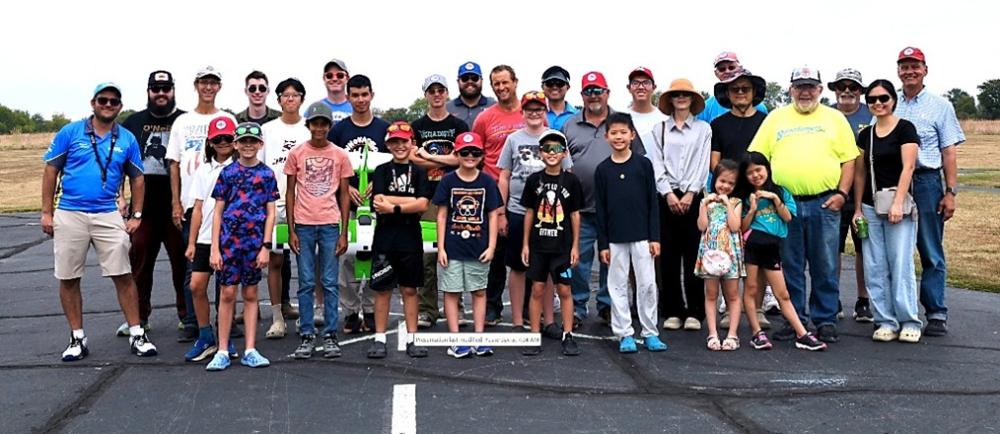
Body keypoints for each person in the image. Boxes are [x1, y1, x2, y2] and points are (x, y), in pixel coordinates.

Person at [42, 82, 158, 361]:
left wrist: (137, 215)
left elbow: (138, 178)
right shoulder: (70, 132)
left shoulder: (127, 138)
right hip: (70, 212)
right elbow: (50, 171)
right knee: (69, 276)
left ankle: (137, 333)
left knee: (123, 274)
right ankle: (76, 338)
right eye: (103, 100)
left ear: (119, 106)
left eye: (113, 102)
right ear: (93, 103)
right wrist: (47, 212)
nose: (108, 105)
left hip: (108, 212)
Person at [748, 66, 859, 343]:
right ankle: (794, 318)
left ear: (820, 90)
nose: (805, 91)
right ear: (790, 89)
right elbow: (758, 157)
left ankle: (825, 319)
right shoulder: (776, 118)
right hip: (786, 206)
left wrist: (842, 194)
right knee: (791, 264)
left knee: (825, 263)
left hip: (825, 202)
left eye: (811, 86)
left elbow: (849, 159)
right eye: (799, 86)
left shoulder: (834, 118)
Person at [894, 46, 965, 337]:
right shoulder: (888, 102)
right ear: (898, 70)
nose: (909, 71)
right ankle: (898, 311)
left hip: (926, 182)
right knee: (897, 250)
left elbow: (948, 151)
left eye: (915, 66)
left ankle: (935, 311)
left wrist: (950, 192)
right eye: (904, 66)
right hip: (895, 182)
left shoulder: (940, 105)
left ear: (925, 70)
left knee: (930, 249)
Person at [165, 66, 240, 337]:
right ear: (196, 85)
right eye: (204, 83)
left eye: (213, 83)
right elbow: (173, 163)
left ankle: (225, 321)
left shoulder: (228, 118)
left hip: (229, 209)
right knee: (194, 267)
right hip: (193, 203)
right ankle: (194, 322)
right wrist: (175, 202)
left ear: (219, 87)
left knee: (226, 269)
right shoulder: (183, 122)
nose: (208, 87)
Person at [120, 70, 191, 341]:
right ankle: (139, 317)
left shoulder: (185, 120)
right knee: (139, 258)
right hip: (144, 208)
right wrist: (121, 197)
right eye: (155, 88)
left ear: (173, 90)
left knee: (182, 262)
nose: (161, 93)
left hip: (177, 206)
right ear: (148, 91)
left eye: (165, 88)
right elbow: (119, 162)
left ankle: (188, 316)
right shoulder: (133, 123)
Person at [852, 80, 922, 343]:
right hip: (871, 206)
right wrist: (857, 208)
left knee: (900, 262)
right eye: (872, 100)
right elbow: (860, 173)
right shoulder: (865, 135)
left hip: (898, 205)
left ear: (893, 99)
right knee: (874, 264)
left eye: (883, 98)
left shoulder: (905, 129)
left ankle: (909, 320)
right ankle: (885, 320)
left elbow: (909, 167)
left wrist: (897, 202)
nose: (878, 104)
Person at [204, 122, 278, 371]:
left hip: (254, 244)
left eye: (252, 141)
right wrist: (215, 248)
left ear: (260, 144)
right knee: (227, 294)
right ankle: (223, 349)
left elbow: (271, 213)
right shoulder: (227, 173)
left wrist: (266, 245)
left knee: (250, 294)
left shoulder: (267, 175)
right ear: (236, 144)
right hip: (229, 244)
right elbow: (218, 212)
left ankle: (250, 348)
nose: (248, 146)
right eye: (243, 141)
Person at [498, 91, 573, 331]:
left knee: (549, 267)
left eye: (539, 108)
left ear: (545, 110)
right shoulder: (513, 139)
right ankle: (519, 321)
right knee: (519, 266)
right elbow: (504, 176)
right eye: (529, 109)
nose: (534, 113)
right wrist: (501, 212)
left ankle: (549, 320)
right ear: (522, 111)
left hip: (550, 214)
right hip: (519, 209)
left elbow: (567, 174)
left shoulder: (556, 137)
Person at [739, 152, 827, 351]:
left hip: (772, 247)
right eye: (750, 172)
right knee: (751, 289)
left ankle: (802, 334)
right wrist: (752, 209)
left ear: (767, 169)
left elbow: (787, 217)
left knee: (783, 294)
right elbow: (742, 228)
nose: (755, 175)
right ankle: (756, 333)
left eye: (759, 170)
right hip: (753, 246)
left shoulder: (781, 191)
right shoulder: (744, 197)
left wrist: (775, 199)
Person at [286, 102, 353, 359]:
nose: (320, 128)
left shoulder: (339, 155)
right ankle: (306, 334)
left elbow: (344, 194)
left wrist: (343, 231)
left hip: (328, 223)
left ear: (329, 126)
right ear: (309, 125)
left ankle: (330, 334)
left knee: (329, 282)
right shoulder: (297, 153)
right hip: (303, 224)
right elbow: (290, 191)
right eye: (315, 123)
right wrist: (291, 228)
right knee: (305, 282)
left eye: (324, 124)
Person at [595, 113, 667, 354]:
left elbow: (652, 203)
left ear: (632, 135)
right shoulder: (603, 170)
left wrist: (654, 237)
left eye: (623, 132)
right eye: (613, 133)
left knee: (647, 284)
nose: (618, 137)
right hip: (615, 238)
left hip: (642, 237)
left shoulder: (643, 165)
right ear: (606, 137)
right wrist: (603, 244)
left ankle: (650, 332)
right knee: (617, 286)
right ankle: (624, 332)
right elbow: (601, 210)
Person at [709, 68, 773, 330]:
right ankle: (729, 305)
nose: (740, 93)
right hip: (730, 198)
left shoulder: (765, 121)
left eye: (745, 89)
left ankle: (757, 309)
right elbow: (715, 160)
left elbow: (771, 157)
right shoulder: (719, 124)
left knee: (759, 251)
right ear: (728, 94)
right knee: (729, 252)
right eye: (735, 89)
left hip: (758, 194)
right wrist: (726, 185)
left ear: (754, 92)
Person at [647, 79, 711, 331]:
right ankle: (673, 309)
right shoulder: (659, 128)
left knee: (694, 255)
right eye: (677, 95)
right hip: (667, 196)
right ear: (670, 99)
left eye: (686, 94)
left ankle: (695, 310)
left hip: (693, 196)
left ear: (692, 99)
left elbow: (702, 162)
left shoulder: (703, 129)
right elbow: (656, 162)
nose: (681, 98)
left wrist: (690, 193)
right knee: (669, 257)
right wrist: (668, 193)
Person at [329, 74, 390, 333]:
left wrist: (380, 184)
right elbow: (329, 165)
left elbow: (394, 163)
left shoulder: (384, 128)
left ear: (372, 95)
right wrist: (348, 187)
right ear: (348, 97)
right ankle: (351, 311)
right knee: (348, 259)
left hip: (379, 205)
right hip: (348, 205)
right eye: (355, 95)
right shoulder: (339, 131)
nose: (360, 100)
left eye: (365, 94)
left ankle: (371, 308)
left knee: (378, 258)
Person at [433, 132, 502, 358]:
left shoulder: (487, 181)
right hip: (452, 247)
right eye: (465, 152)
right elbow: (442, 215)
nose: (470, 156)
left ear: (482, 155)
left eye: (475, 152)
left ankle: (479, 338)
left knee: (479, 291)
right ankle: (456, 341)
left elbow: (493, 215)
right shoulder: (448, 180)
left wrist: (492, 246)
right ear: (457, 154)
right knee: (452, 292)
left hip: (479, 247)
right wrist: (441, 247)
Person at [367, 121, 432, 359]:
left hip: (410, 238)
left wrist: (394, 206)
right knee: (382, 289)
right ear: (388, 144)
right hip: (385, 239)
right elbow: (378, 201)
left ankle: (413, 338)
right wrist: (408, 202)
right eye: (394, 142)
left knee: (409, 289)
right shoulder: (382, 170)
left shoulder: (420, 172)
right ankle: (379, 337)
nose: (399, 146)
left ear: (412, 143)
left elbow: (423, 204)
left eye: (404, 141)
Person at [410, 74, 470, 329]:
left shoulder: (458, 126)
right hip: (427, 196)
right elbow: (413, 158)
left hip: (456, 195)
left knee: (455, 253)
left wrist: (430, 157)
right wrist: (441, 160)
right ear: (426, 94)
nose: (436, 94)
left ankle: (456, 305)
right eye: (431, 90)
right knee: (427, 255)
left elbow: (463, 159)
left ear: (447, 93)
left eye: (440, 90)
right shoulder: (417, 126)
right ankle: (427, 309)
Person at [519, 130, 583, 356]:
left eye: (557, 149)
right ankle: (535, 334)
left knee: (564, 289)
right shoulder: (534, 180)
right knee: (537, 289)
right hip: (538, 246)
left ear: (564, 152)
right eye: (547, 149)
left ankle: (568, 334)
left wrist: (575, 246)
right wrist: (525, 244)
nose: (552, 153)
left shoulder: (571, 180)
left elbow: (575, 215)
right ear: (540, 153)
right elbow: (529, 212)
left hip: (562, 247)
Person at [471, 65, 525, 324]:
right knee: (493, 255)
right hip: (492, 194)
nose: (501, 88)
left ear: (515, 82)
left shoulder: (530, 113)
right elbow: (474, 155)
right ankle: (492, 306)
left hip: (525, 197)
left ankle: (525, 307)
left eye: (505, 82)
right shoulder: (484, 117)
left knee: (524, 255)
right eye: (496, 84)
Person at [183, 116, 237, 362]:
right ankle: (205, 335)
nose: (224, 142)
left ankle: (226, 339)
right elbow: (197, 207)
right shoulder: (204, 170)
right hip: (205, 236)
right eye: (219, 139)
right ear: (211, 142)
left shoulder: (241, 168)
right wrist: (192, 242)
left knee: (227, 292)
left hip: (231, 237)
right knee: (196, 285)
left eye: (228, 138)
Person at [260, 78, 309, 339]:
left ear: (302, 99)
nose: (290, 99)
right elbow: (259, 167)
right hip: (275, 202)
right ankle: (277, 316)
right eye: (285, 95)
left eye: (295, 95)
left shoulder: (309, 128)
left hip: (306, 202)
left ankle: (311, 314)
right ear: (278, 100)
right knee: (276, 260)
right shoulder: (268, 130)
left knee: (308, 260)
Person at [828, 68, 874, 323]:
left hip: (865, 194)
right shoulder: (826, 115)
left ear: (860, 91)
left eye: (853, 87)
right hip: (833, 192)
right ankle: (831, 298)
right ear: (834, 89)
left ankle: (863, 299)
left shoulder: (871, 114)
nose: (847, 91)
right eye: (841, 86)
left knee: (862, 247)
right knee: (832, 248)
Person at [695, 160, 745, 351]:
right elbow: (701, 226)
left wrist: (728, 205)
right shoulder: (706, 202)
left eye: (730, 183)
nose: (725, 186)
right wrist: (704, 205)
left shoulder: (736, 202)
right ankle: (712, 333)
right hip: (710, 253)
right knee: (711, 294)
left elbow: (734, 226)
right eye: (722, 181)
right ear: (715, 180)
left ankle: (732, 334)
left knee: (732, 295)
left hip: (730, 254)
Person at [698, 52, 768, 123]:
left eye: (731, 67)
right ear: (716, 73)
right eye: (722, 69)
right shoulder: (707, 107)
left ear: (740, 68)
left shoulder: (759, 107)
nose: (727, 71)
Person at [448, 61, 496, 127]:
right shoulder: (447, 108)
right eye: (465, 78)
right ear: (458, 82)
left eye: (474, 78)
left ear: (481, 81)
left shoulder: (494, 106)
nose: (470, 81)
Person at [626, 67, 667, 135]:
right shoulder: (621, 118)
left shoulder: (664, 119)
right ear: (629, 88)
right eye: (635, 83)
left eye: (646, 83)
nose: (641, 87)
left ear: (654, 88)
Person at [316, 58, 352, 124]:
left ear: (347, 78)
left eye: (340, 75)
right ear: (324, 79)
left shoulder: (357, 107)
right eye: (329, 76)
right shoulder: (315, 108)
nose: (335, 79)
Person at [541, 66, 577, 131]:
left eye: (560, 83)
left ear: (568, 87)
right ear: (542, 87)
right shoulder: (534, 115)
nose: (554, 87)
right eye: (550, 83)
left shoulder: (577, 116)